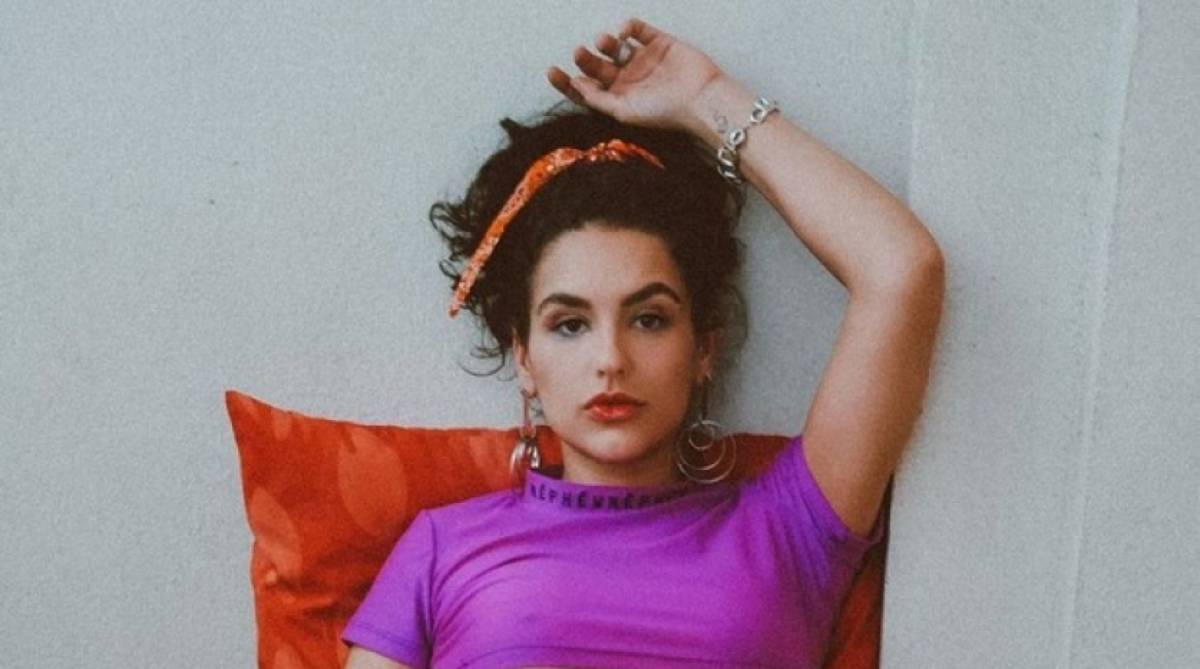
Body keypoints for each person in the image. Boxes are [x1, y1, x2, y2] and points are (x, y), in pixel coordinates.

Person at [341, 16, 944, 669]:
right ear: (524, 358)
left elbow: (901, 268)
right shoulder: (442, 547)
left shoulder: (788, 530)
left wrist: (706, 99)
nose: (611, 360)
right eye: (569, 324)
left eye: (649, 319)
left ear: (703, 348)